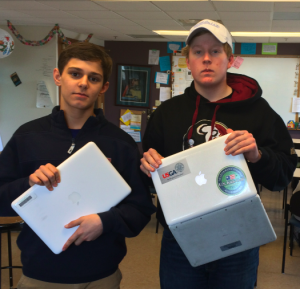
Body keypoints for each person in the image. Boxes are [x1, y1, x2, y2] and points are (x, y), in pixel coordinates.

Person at [140, 19, 297, 289]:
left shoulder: (258, 111)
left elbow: (282, 175)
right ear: (187, 61)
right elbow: (147, 178)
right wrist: (146, 167)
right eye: (198, 52)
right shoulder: (167, 114)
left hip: (238, 235)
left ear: (230, 59)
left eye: (215, 51)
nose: (206, 59)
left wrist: (257, 155)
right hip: (181, 236)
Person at [0, 42, 156, 289]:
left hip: (100, 275)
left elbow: (140, 209)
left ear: (103, 87)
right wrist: (28, 184)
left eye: (93, 78)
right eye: (75, 74)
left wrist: (106, 221)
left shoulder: (120, 143)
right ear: (58, 76)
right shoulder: (26, 136)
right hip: (40, 274)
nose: (83, 83)